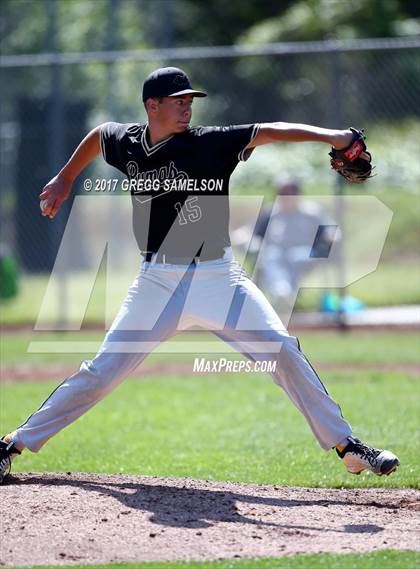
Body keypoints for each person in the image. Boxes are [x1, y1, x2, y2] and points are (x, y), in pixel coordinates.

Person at [0, 67, 399, 483]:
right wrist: (65, 178)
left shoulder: (210, 144)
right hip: (157, 282)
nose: (187, 108)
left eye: (190, 101)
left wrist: (335, 137)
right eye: (178, 101)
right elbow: (99, 135)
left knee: (281, 350)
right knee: (101, 373)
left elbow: (271, 130)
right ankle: (12, 443)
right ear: (152, 105)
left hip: (218, 279)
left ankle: (347, 446)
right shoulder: (128, 143)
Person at [252, 179, 336, 320]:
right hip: (277, 252)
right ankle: (282, 291)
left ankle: (284, 294)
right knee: (270, 257)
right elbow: (255, 235)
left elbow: (330, 230)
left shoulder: (312, 212)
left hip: (304, 252)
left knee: (294, 257)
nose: (286, 197)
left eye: (290, 193)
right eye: (282, 193)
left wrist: (329, 238)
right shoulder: (271, 213)